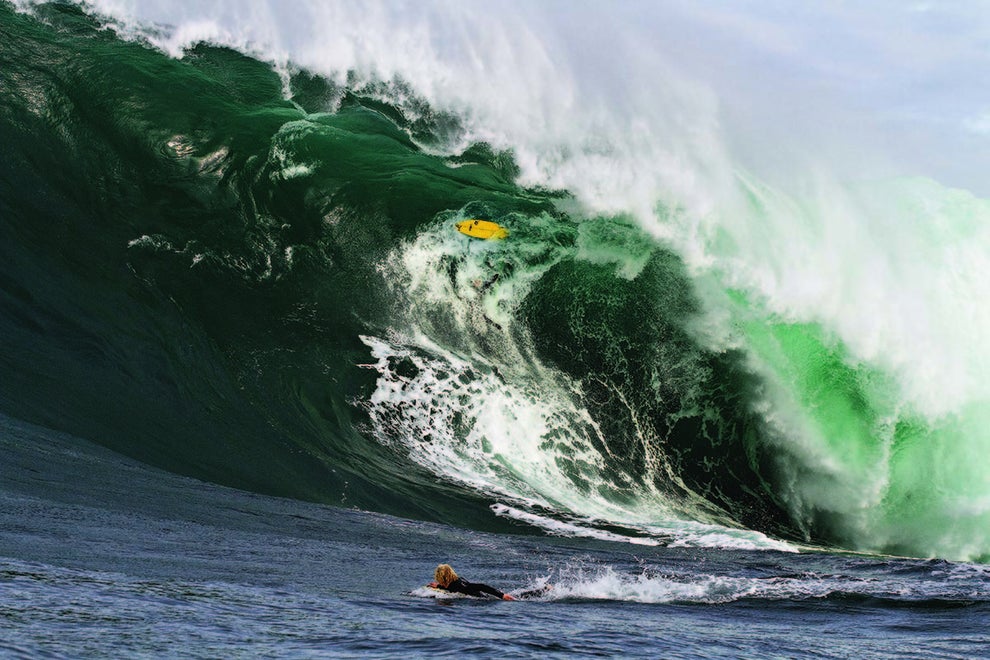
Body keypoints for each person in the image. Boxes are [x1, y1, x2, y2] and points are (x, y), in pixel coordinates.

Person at [428, 563, 516, 601]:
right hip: (484, 597)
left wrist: (502, 595)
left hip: (484, 600)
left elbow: (481, 586)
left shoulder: (457, 585)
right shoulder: (457, 580)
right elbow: (450, 587)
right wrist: (439, 586)